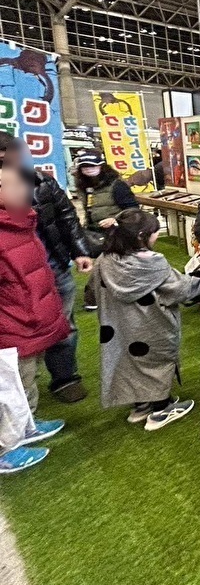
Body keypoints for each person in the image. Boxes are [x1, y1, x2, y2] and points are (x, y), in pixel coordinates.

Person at [93, 209, 200, 429]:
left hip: (118, 326)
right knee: (157, 363)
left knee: (131, 363)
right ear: (141, 236)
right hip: (151, 325)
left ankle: (141, 406)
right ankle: (161, 409)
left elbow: (93, 291)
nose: (156, 235)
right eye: (155, 232)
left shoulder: (105, 259)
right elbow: (182, 289)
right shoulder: (151, 262)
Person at [0, 132, 91, 402]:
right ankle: (24, 395)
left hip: (51, 265)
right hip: (13, 278)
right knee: (19, 338)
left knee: (63, 324)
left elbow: (67, 217)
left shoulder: (42, 182)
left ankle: (64, 377)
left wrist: (79, 250)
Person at [0, 138, 67, 457]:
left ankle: (26, 426)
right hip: (10, 326)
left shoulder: (21, 221)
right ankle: (7, 450)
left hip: (28, 321)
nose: (25, 191)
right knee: (9, 388)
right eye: (15, 186)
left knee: (25, 380)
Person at [75, 149, 138, 309]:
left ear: (101, 166)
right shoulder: (84, 186)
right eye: (85, 166)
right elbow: (89, 209)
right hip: (95, 231)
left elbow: (133, 209)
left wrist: (115, 219)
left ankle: (93, 298)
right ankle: (97, 297)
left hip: (117, 231)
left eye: (92, 165)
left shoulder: (117, 185)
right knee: (108, 265)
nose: (89, 169)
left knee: (109, 265)